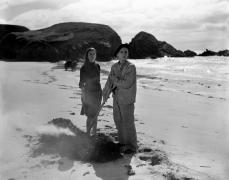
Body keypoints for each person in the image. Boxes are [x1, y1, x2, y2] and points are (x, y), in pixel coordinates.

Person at [102, 44, 137, 153]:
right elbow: (109, 82)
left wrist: (114, 79)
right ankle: (122, 142)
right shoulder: (114, 67)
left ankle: (132, 145)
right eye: (121, 52)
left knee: (128, 122)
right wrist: (105, 94)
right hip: (116, 98)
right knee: (118, 120)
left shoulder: (131, 67)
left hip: (127, 99)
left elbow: (126, 83)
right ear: (117, 54)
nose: (124, 54)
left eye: (126, 52)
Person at [79, 48, 102, 136]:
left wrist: (101, 93)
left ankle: (94, 133)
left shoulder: (98, 66)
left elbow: (98, 81)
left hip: (98, 93)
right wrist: (84, 96)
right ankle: (88, 133)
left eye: (93, 54)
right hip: (88, 94)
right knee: (90, 115)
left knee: (96, 115)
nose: (92, 56)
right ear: (87, 56)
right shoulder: (83, 68)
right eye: (90, 54)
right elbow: (81, 83)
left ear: (95, 55)